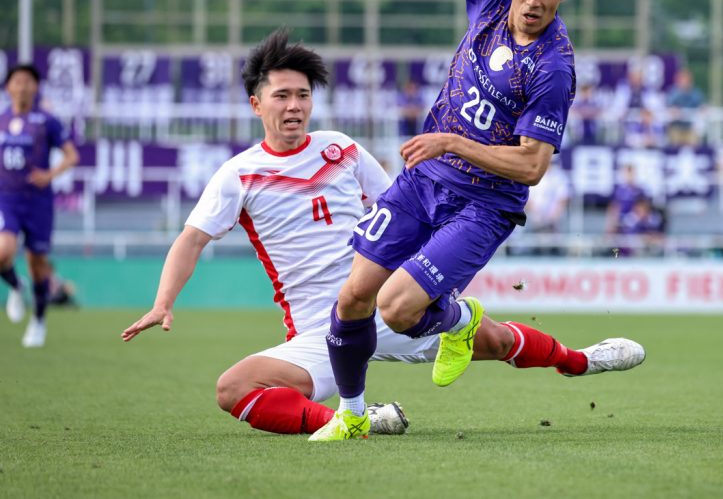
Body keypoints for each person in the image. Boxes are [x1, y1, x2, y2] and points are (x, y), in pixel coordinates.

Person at [122, 31, 644, 438]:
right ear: (256, 104)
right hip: (320, 331)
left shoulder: (342, 149)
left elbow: (404, 201)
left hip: (387, 295)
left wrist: (437, 263)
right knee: (233, 389)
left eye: (302, 95)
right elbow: (191, 239)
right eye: (281, 96)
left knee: (497, 340)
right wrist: (163, 302)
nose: (294, 106)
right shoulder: (238, 174)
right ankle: (359, 420)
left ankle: (582, 361)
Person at [315, 0, 644, 442]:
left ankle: (460, 320)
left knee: (396, 310)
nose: (534, 0)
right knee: (353, 298)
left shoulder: (553, 68)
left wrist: (452, 142)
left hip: (483, 206)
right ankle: (351, 416)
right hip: (423, 181)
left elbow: (532, 165)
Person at [0, 64, 79, 348]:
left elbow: (71, 156)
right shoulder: (2, 119)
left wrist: (49, 175)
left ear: (35, 86)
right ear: (8, 87)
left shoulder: (46, 121)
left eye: (27, 81)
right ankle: (16, 285)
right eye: (17, 81)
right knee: (3, 252)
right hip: (7, 199)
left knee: (37, 265)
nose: (22, 86)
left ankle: (39, 320)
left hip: (38, 202)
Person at [665, 67, 705, 146]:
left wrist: (702, 109)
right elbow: (669, 106)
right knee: (675, 143)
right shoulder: (673, 92)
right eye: (682, 80)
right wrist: (673, 110)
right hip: (676, 125)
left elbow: (701, 106)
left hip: (690, 125)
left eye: (686, 80)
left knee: (694, 142)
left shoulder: (696, 93)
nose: (684, 82)